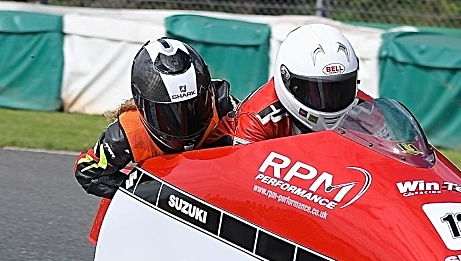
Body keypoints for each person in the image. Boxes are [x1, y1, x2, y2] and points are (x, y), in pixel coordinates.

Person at [74, 37, 238, 198]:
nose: (184, 122)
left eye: (195, 106)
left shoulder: (224, 105)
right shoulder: (129, 133)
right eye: (168, 113)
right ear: (142, 105)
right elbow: (87, 173)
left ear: (209, 94)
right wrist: (147, 193)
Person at [232, 23, 371, 145]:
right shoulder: (257, 119)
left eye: (341, 89)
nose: (331, 101)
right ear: (287, 80)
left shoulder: (365, 108)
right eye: (314, 91)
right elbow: (244, 172)